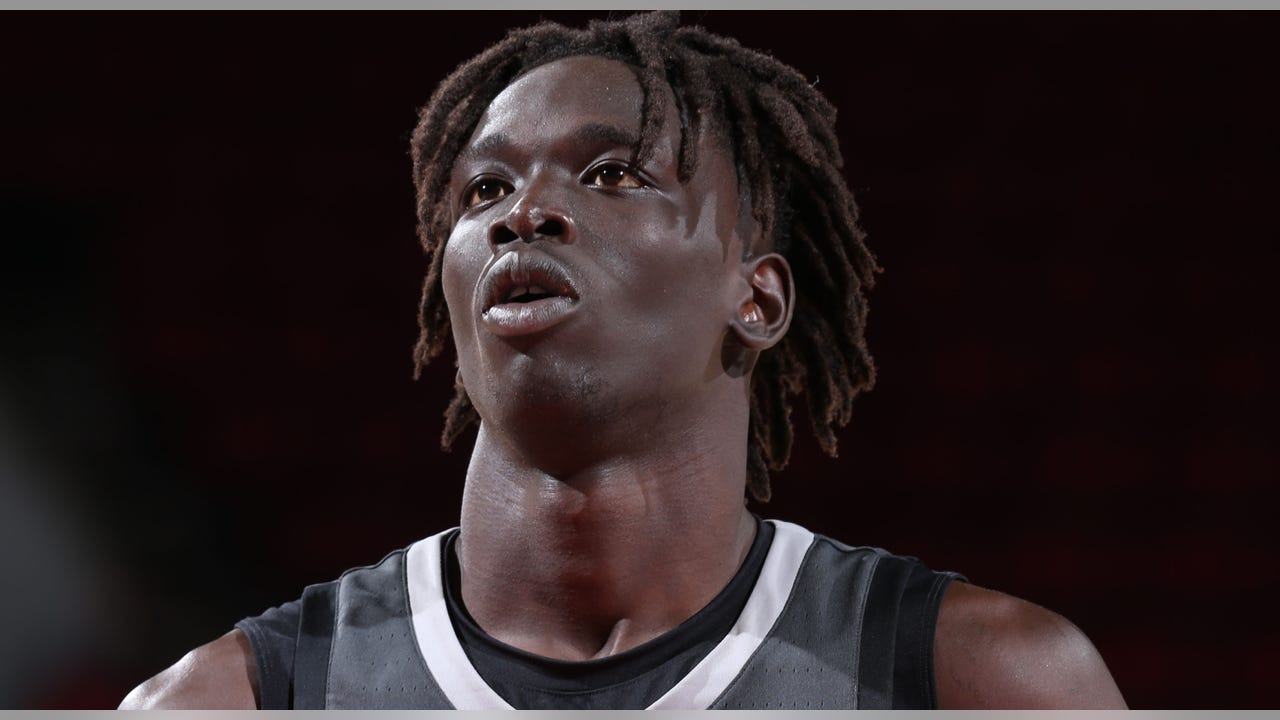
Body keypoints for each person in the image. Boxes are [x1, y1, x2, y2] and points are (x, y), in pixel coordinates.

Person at [120, 12, 1126, 710]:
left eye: (611, 173)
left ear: (757, 299)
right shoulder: (228, 702)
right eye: (484, 190)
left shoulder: (982, 684)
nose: (524, 211)